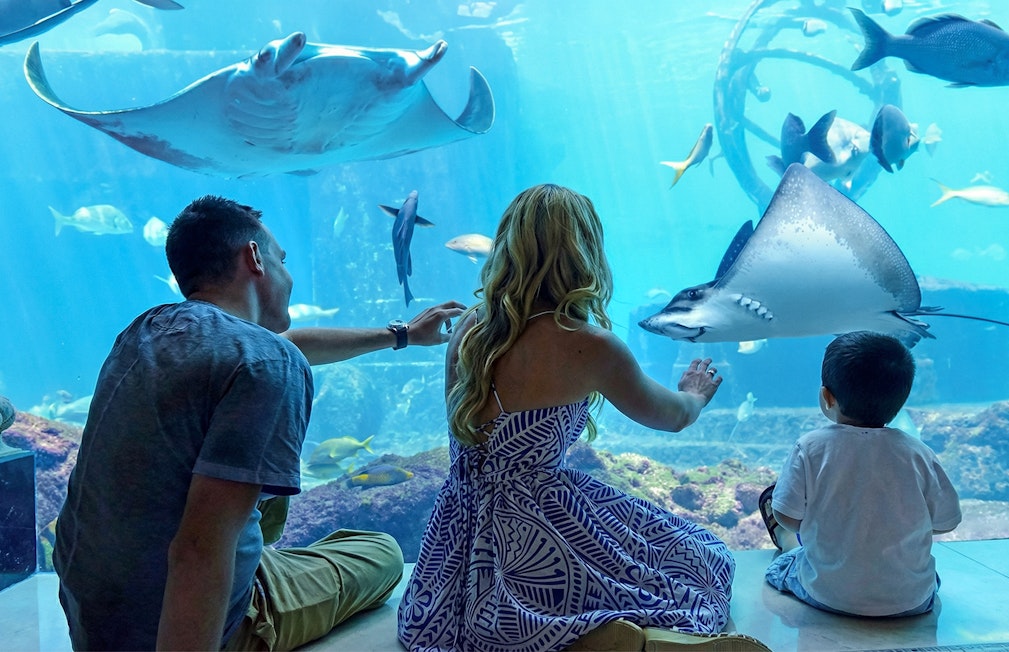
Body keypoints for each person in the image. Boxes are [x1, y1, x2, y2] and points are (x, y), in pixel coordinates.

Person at [52, 195, 465, 651]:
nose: (289, 277)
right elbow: (197, 552)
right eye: (282, 261)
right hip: (182, 624)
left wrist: (401, 335)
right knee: (380, 552)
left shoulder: (147, 330)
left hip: (94, 616)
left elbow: (287, 344)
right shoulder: (269, 363)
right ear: (253, 257)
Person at [397, 184, 769, 652]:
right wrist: (693, 395)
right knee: (700, 560)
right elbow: (670, 417)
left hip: (458, 530)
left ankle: (568, 633)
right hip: (539, 520)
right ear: (584, 252)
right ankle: (599, 633)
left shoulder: (470, 328)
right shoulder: (589, 346)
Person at [760, 330, 962, 617]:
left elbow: (788, 517)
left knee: (784, 566)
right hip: (910, 601)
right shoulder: (919, 454)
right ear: (901, 400)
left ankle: (786, 543)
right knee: (929, 578)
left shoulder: (810, 447)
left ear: (826, 397)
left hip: (828, 596)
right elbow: (946, 522)